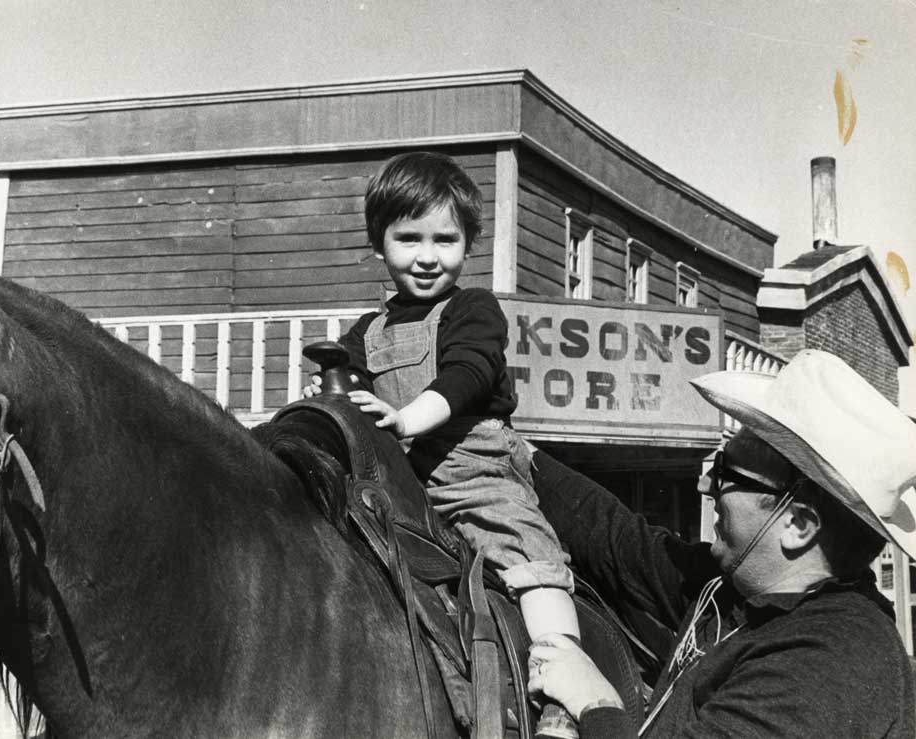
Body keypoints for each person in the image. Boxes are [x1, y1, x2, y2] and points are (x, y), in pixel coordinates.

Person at [305, 151, 582, 737]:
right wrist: (332, 395)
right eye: (408, 239)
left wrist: (406, 419)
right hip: (400, 485)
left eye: (445, 239)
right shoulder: (366, 332)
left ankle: (562, 683)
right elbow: (351, 396)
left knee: (529, 556)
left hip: (474, 469)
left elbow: (467, 375)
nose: (427, 257)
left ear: (467, 244)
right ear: (379, 243)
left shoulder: (473, 310)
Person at [526, 348, 916, 737]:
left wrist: (596, 703)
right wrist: (513, 450)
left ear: (797, 524)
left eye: (725, 472)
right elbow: (619, 539)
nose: (704, 485)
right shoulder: (737, 592)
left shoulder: (829, 661)